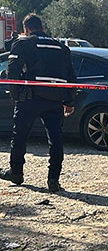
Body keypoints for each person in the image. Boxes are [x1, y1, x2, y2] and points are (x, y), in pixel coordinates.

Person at [0, 14, 76, 192]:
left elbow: (13, 71)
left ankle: (16, 173)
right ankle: (53, 180)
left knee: (19, 136)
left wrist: (16, 96)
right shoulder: (61, 47)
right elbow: (71, 77)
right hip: (55, 99)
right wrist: (69, 101)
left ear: (26, 29)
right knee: (55, 139)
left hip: (30, 98)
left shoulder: (23, 44)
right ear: (43, 28)